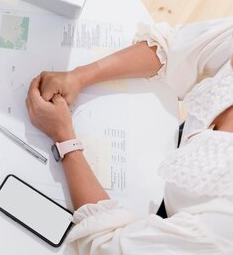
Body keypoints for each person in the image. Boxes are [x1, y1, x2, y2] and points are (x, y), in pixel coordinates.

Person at [25, 18, 233, 254]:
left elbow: (104, 246)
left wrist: (64, 138)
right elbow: (175, 49)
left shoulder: (223, 225)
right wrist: (80, 76)